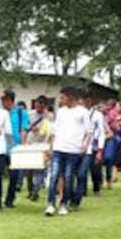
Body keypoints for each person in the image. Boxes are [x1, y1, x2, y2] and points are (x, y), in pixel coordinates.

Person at [45, 86, 90, 216]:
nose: (60, 99)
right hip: (59, 148)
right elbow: (55, 130)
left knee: (68, 177)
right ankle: (50, 204)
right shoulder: (61, 111)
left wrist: (84, 145)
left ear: (70, 97)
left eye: (62, 97)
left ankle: (64, 203)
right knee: (54, 176)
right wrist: (51, 147)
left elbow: (88, 131)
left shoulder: (82, 112)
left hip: (73, 149)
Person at [2, 89, 30, 208]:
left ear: (9, 100)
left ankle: (10, 199)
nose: (2, 103)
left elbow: (24, 129)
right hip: (1, 148)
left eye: (3, 100)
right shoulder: (1, 113)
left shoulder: (21, 112)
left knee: (13, 176)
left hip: (15, 148)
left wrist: (23, 145)